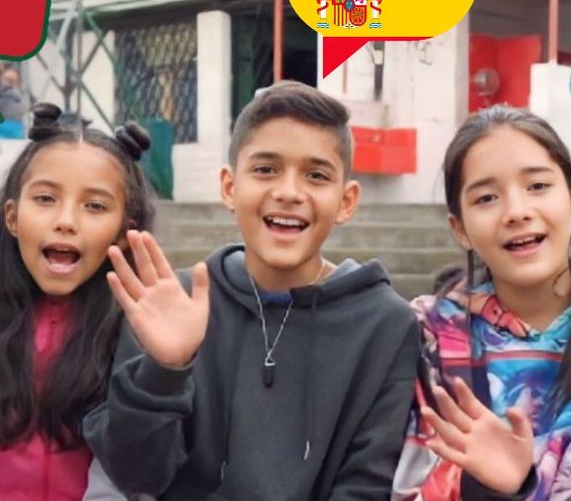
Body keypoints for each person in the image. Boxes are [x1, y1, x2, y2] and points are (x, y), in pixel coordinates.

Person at [84, 80, 420, 500]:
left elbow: (367, 483)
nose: (288, 193)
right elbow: (135, 476)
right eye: (265, 170)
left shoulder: (387, 324)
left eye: (316, 175)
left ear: (347, 201)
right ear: (229, 187)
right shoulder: (171, 303)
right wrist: (165, 372)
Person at [391, 104, 571, 501]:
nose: (516, 212)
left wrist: (522, 486)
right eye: (487, 197)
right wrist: (489, 487)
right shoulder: (426, 338)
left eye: (537, 186)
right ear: (459, 228)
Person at [0, 102, 154, 499]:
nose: (66, 220)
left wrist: (167, 368)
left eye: (95, 206)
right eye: (45, 198)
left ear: (124, 233)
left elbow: (147, 467)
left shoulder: (140, 334)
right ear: (12, 217)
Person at [0, 65, 29, 139]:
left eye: (11, 81)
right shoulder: (18, 96)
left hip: (12, 129)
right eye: (7, 80)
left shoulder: (14, 95)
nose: (9, 82)